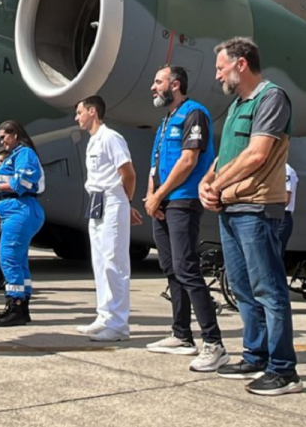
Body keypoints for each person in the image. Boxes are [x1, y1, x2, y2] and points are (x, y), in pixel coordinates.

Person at [200, 37, 301, 395]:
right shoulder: (238, 105)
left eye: (220, 67)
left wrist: (217, 186)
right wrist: (207, 182)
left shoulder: (271, 98)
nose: (217, 76)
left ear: (241, 63)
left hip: (258, 209)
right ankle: (255, 354)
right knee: (243, 289)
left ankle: (283, 370)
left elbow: (257, 155)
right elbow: (226, 156)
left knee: (268, 290)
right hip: (232, 208)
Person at [143, 66, 229, 371]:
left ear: (175, 84)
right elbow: (156, 161)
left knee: (186, 268)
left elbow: (189, 159)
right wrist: (152, 194)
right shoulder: (166, 120)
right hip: (164, 202)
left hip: (183, 201)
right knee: (170, 268)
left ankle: (214, 342)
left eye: (158, 82)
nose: (153, 87)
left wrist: (161, 194)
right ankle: (181, 335)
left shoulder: (194, 114)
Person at [74, 96, 141, 342]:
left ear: (92, 112)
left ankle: (119, 324)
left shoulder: (111, 138)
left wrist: (125, 203)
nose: (76, 117)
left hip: (112, 200)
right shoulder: (93, 141)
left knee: (115, 262)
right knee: (100, 261)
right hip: (97, 202)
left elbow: (128, 174)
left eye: (79, 112)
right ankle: (104, 315)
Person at [0, 121, 45, 326]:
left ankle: (15, 304)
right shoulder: (17, 155)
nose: (1, 141)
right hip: (17, 210)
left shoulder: (24, 155)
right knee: (18, 261)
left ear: (15, 134)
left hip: (20, 209)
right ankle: (22, 305)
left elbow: (21, 183)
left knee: (9, 257)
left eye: (4, 136)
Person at [280, 163, 298, 260]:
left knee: (274, 257)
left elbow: (285, 199)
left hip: (281, 216)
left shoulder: (285, 169)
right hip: (273, 215)